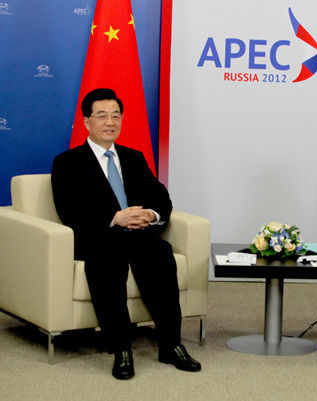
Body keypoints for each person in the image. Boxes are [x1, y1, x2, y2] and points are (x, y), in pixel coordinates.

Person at [51, 88, 201, 380]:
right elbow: (68, 211)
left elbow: (161, 197)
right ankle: (121, 350)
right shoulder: (68, 162)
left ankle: (171, 345)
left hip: (137, 235)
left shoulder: (134, 157)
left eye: (116, 116)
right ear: (86, 122)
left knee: (161, 253)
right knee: (107, 261)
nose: (110, 122)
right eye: (102, 116)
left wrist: (151, 215)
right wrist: (114, 217)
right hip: (98, 237)